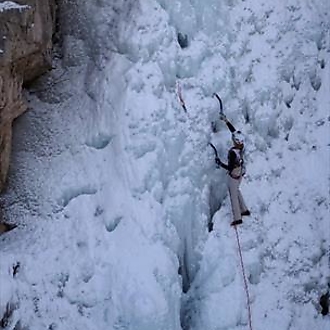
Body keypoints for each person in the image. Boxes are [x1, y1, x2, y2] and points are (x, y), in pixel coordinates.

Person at [215, 114, 251, 226]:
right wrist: (226, 121)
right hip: (240, 173)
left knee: (233, 195)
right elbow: (234, 131)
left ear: (235, 142)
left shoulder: (232, 153)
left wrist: (219, 163)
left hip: (234, 176)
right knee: (237, 190)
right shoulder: (241, 147)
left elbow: (230, 167)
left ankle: (237, 218)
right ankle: (244, 210)